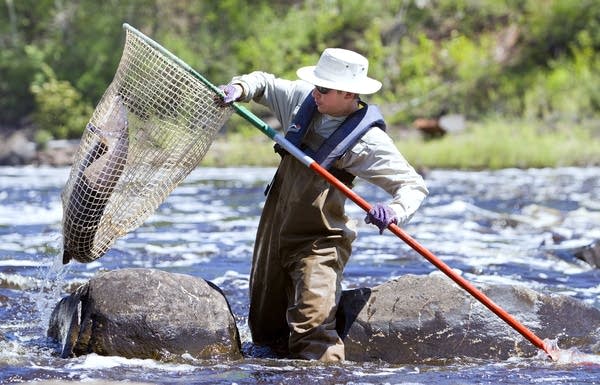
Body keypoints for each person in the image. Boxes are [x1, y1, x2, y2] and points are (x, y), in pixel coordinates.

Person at [219, 48, 428, 362]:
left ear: (348, 94)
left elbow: (413, 186)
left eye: (324, 89)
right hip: (274, 232)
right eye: (316, 85)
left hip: (318, 242)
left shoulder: (367, 142)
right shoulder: (303, 99)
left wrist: (394, 210)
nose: (315, 92)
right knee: (265, 337)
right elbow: (262, 83)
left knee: (314, 337)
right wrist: (239, 88)